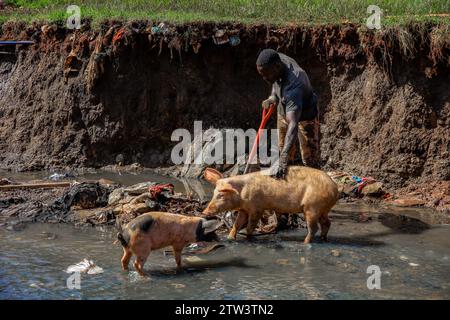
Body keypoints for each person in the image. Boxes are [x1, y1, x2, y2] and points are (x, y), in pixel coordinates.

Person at [256, 49, 320, 179]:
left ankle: (313, 185)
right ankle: (288, 184)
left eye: (266, 75)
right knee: (284, 152)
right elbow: (275, 80)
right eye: (262, 75)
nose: (265, 78)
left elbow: (293, 124)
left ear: (277, 67)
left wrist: (284, 156)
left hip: (304, 116)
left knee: (309, 158)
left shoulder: (294, 85)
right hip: (285, 109)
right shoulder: (276, 59)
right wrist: (273, 97)